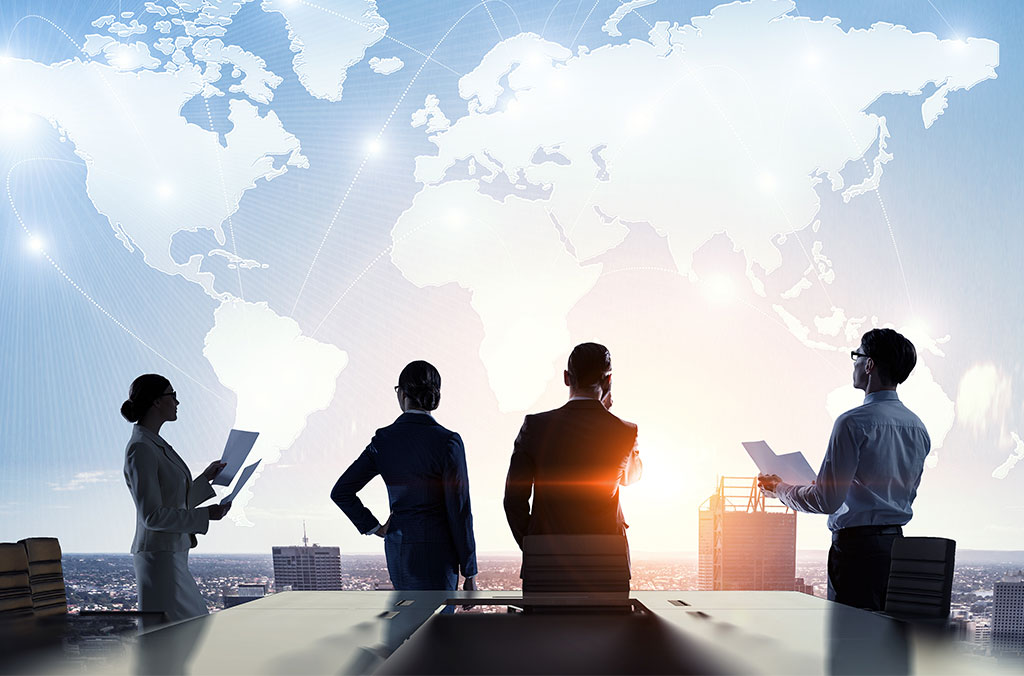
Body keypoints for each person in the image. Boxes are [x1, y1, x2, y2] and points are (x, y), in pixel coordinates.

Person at [758, 328, 931, 610]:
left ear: (870, 364)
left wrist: (779, 488)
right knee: (882, 642)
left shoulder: (852, 422)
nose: (854, 363)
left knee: (849, 642)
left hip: (856, 553)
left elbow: (827, 501)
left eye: (857, 356)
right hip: (896, 551)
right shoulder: (917, 427)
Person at [331, 361, 477, 591]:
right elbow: (460, 511)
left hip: (399, 550)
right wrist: (470, 571)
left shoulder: (384, 440)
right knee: (438, 624)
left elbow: (341, 492)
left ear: (402, 393)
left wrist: (374, 527)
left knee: (407, 622)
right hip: (439, 554)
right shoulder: (448, 441)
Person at [503, 342, 642, 561]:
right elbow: (630, 477)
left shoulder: (535, 426)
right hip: (607, 561)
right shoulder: (625, 431)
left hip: (547, 560)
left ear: (567, 377)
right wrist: (607, 416)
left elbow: (513, 501)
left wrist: (534, 547)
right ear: (608, 380)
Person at [121, 374, 231, 625]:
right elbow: (152, 516)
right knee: (182, 632)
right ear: (157, 402)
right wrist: (207, 515)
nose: (177, 402)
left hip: (171, 554)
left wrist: (205, 479)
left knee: (180, 634)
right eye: (173, 395)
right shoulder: (141, 448)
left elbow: (172, 501)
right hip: (159, 559)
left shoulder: (154, 443)